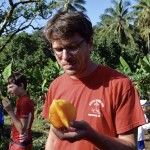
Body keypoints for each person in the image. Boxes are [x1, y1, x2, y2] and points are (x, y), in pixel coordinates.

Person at [42, 11, 146, 150]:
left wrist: (92, 136)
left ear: (90, 43)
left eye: (72, 47)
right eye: (58, 49)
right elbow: (53, 137)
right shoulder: (56, 85)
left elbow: (130, 146)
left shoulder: (120, 85)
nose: (65, 57)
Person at [2, 72, 34, 150]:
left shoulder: (24, 102)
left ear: (21, 85)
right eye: (8, 88)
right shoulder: (20, 99)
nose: (8, 91)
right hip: (20, 143)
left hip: (20, 145)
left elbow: (22, 130)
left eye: (11, 87)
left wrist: (10, 111)